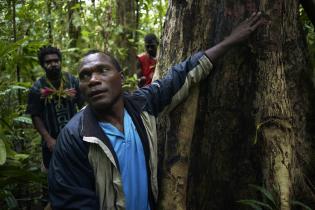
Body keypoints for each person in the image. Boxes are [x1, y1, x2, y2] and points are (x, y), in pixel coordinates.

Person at [48, 12, 265, 210]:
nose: (94, 80)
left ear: (121, 78)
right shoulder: (75, 137)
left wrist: (230, 41)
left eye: (102, 71)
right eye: (85, 76)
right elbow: (71, 202)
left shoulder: (141, 106)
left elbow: (181, 75)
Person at [26, 46, 84, 170]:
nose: (53, 64)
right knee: (54, 172)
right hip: (52, 140)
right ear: (43, 65)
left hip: (74, 138)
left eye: (56, 61)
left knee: (78, 170)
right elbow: (35, 116)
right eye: (48, 62)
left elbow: (83, 106)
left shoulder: (72, 81)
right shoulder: (37, 88)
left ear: (60, 62)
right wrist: (48, 139)